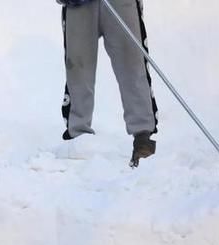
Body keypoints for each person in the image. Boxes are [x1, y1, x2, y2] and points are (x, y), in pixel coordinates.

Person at [56, 0, 158, 167]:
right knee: (78, 66)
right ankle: (78, 137)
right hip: (78, 4)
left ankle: (143, 137)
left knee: (132, 62)